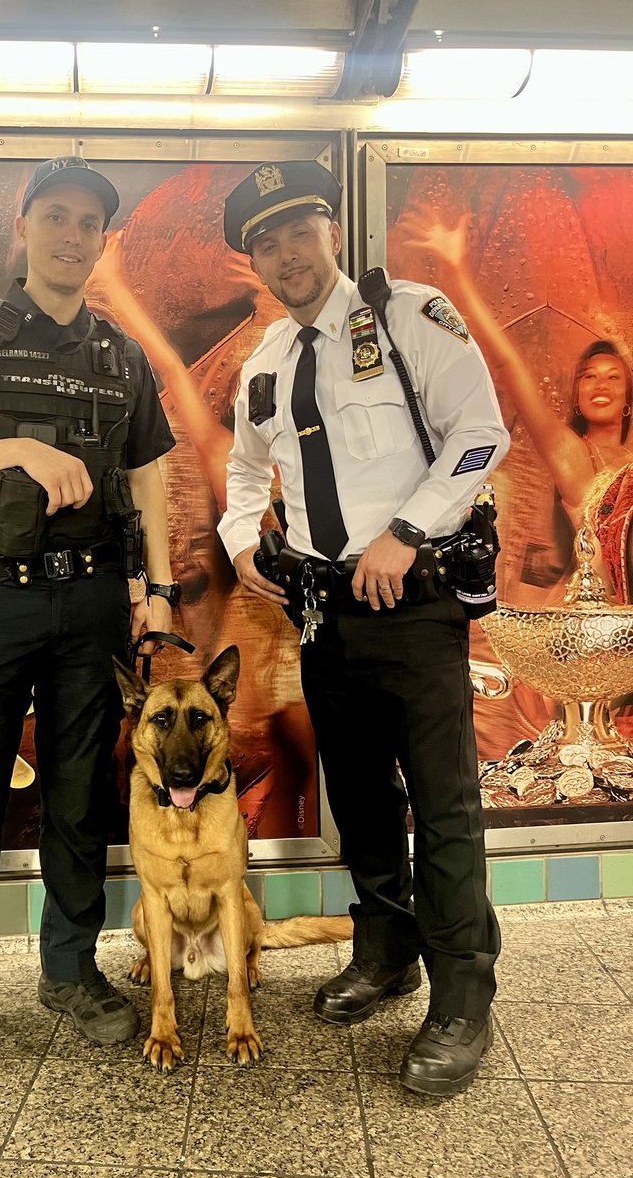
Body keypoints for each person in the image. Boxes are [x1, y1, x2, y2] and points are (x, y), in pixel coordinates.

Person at [217, 160, 510, 1097]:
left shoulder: (407, 315)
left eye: (300, 230)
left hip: (415, 601)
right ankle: (387, 953)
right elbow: (241, 474)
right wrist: (238, 542)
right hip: (321, 611)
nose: (287, 253)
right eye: (267, 242)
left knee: (445, 802)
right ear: (253, 260)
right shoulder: (264, 363)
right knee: (361, 796)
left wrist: (407, 531)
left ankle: (464, 997)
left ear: (331, 231)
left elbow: (480, 434)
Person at [0, 156, 177, 1090]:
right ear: (25, 228)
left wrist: (160, 589)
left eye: (88, 223)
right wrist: (13, 447)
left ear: (102, 241)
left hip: (91, 604)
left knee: (79, 797)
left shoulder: (120, 354)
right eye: (55, 216)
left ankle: (69, 972)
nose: (70, 235)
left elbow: (149, 472)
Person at [399, 210, 632, 543]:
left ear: (628, 399)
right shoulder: (572, 453)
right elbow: (508, 363)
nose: (601, 385)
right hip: (596, 595)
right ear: (577, 398)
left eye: (614, 378)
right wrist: (458, 270)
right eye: (589, 376)